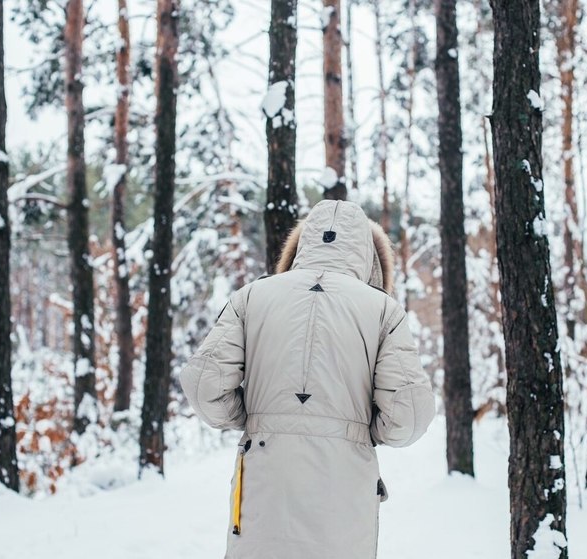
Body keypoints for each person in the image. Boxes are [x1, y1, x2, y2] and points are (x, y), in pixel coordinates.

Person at [180, 199, 435, 559]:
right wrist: (363, 430)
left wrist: (252, 418)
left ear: (302, 244)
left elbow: (203, 382)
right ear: (367, 255)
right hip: (343, 490)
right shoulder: (383, 311)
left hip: (264, 483)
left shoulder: (252, 297)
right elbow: (409, 415)